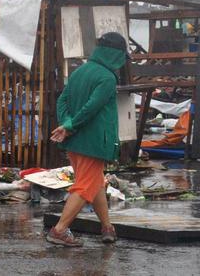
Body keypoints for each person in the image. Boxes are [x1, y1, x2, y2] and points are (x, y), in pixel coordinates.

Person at [45, 32, 127, 247]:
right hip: (94, 142)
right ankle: (59, 231)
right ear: (116, 55)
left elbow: (62, 100)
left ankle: (107, 228)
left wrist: (67, 124)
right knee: (84, 186)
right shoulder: (107, 78)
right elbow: (92, 107)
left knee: (96, 183)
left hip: (76, 141)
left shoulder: (79, 71)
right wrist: (70, 126)